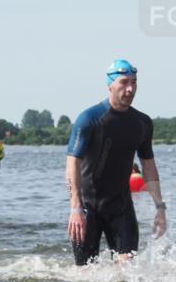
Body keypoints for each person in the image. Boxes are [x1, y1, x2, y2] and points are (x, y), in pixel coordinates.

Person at [65, 59, 167, 265]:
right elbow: (72, 163)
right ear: (110, 85)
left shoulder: (142, 123)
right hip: (87, 207)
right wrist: (76, 208)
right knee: (83, 275)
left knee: (128, 269)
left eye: (134, 82)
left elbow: (148, 165)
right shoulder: (89, 119)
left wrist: (160, 208)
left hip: (120, 206)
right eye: (124, 82)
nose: (130, 89)